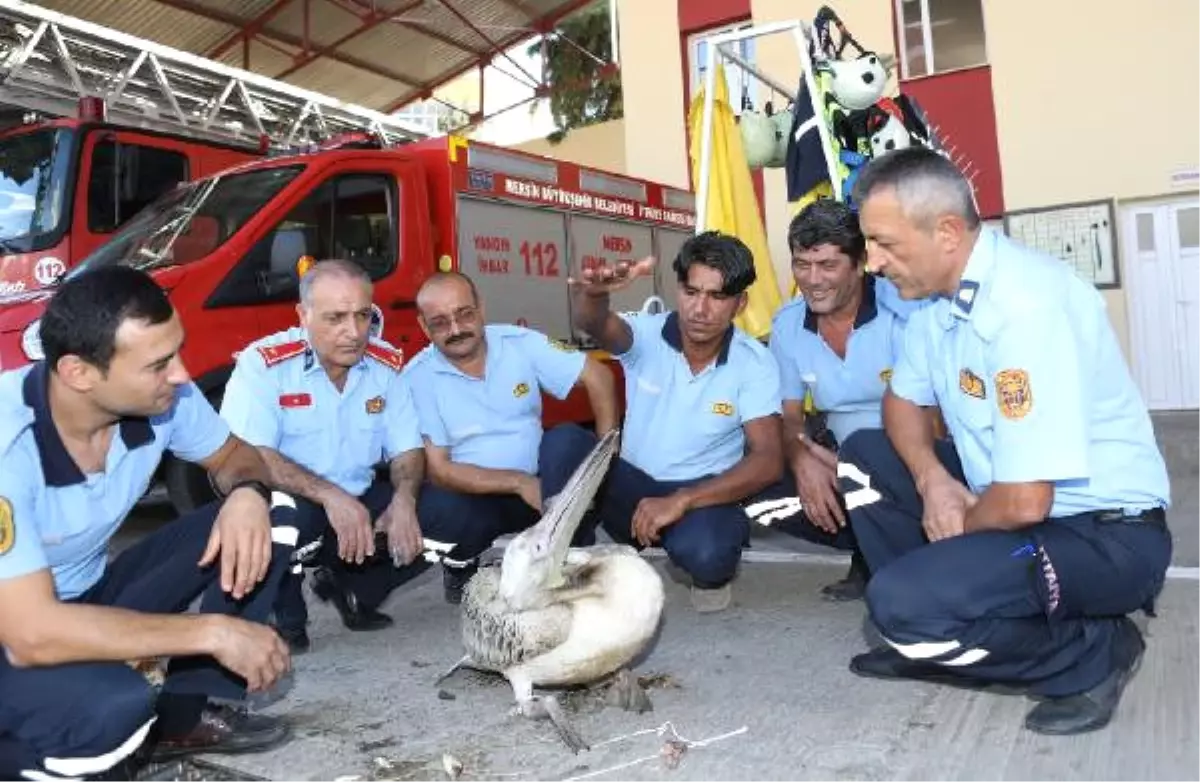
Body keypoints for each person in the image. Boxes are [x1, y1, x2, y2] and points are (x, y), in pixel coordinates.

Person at [838, 146, 1171, 735]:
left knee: (899, 606)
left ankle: (1093, 652)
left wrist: (960, 527)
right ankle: (932, 624)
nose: (872, 262)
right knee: (866, 455)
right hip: (1014, 503)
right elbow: (901, 402)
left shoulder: (1024, 305)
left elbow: (1024, 501)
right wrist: (933, 481)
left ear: (946, 232)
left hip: (1102, 535)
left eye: (885, 244)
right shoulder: (935, 309)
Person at [0, 267, 297, 780]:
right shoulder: (9, 442)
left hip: (87, 593)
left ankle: (179, 719)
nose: (182, 373)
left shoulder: (164, 399)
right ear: (79, 373)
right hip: (18, 626)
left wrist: (248, 493)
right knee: (110, 709)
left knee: (273, 516)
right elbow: (32, 633)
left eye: (177, 351)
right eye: (159, 364)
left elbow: (235, 455)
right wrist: (211, 631)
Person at [547, 230, 784, 613]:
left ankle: (701, 571)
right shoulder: (646, 334)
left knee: (709, 555)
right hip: (629, 492)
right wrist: (594, 294)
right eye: (691, 292)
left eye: (717, 297)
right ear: (678, 289)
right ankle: (563, 560)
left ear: (740, 303)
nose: (700, 309)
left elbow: (768, 459)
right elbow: (596, 325)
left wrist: (681, 500)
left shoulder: (754, 363)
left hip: (698, 499)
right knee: (563, 442)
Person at [219, 260, 429, 651]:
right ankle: (285, 615)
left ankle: (351, 586)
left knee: (439, 514)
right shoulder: (264, 365)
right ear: (303, 315)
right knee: (279, 517)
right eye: (336, 318)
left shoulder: (385, 365)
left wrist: (404, 500)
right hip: (292, 496)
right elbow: (249, 456)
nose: (354, 332)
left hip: (357, 499)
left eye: (364, 315)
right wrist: (331, 497)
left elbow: (408, 449)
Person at [403, 271, 619, 603]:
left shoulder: (519, 343)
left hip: (545, 490)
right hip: (479, 497)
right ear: (422, 327)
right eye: (440, 322)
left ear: (481, 309)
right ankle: (461, 563)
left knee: (567, 440)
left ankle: (570, 551)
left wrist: (607, 457)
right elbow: (440, 470)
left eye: (464, 314)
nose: (457, 329)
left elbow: (599, 376)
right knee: (440, 507)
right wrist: (518, 483)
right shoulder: (417, 378)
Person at [753, 199, 927, 601]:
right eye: (802, 264)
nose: (813, 280)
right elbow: (789, 414)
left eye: (828, 265)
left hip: (908, 453)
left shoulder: (907, 311)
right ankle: (863, 550)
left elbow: (931, 418)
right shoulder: (787, 324)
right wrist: (801, 462)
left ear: (861, 262)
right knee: (754, 474)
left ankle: (909, 556)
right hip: (832, 454)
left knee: (874, 454)